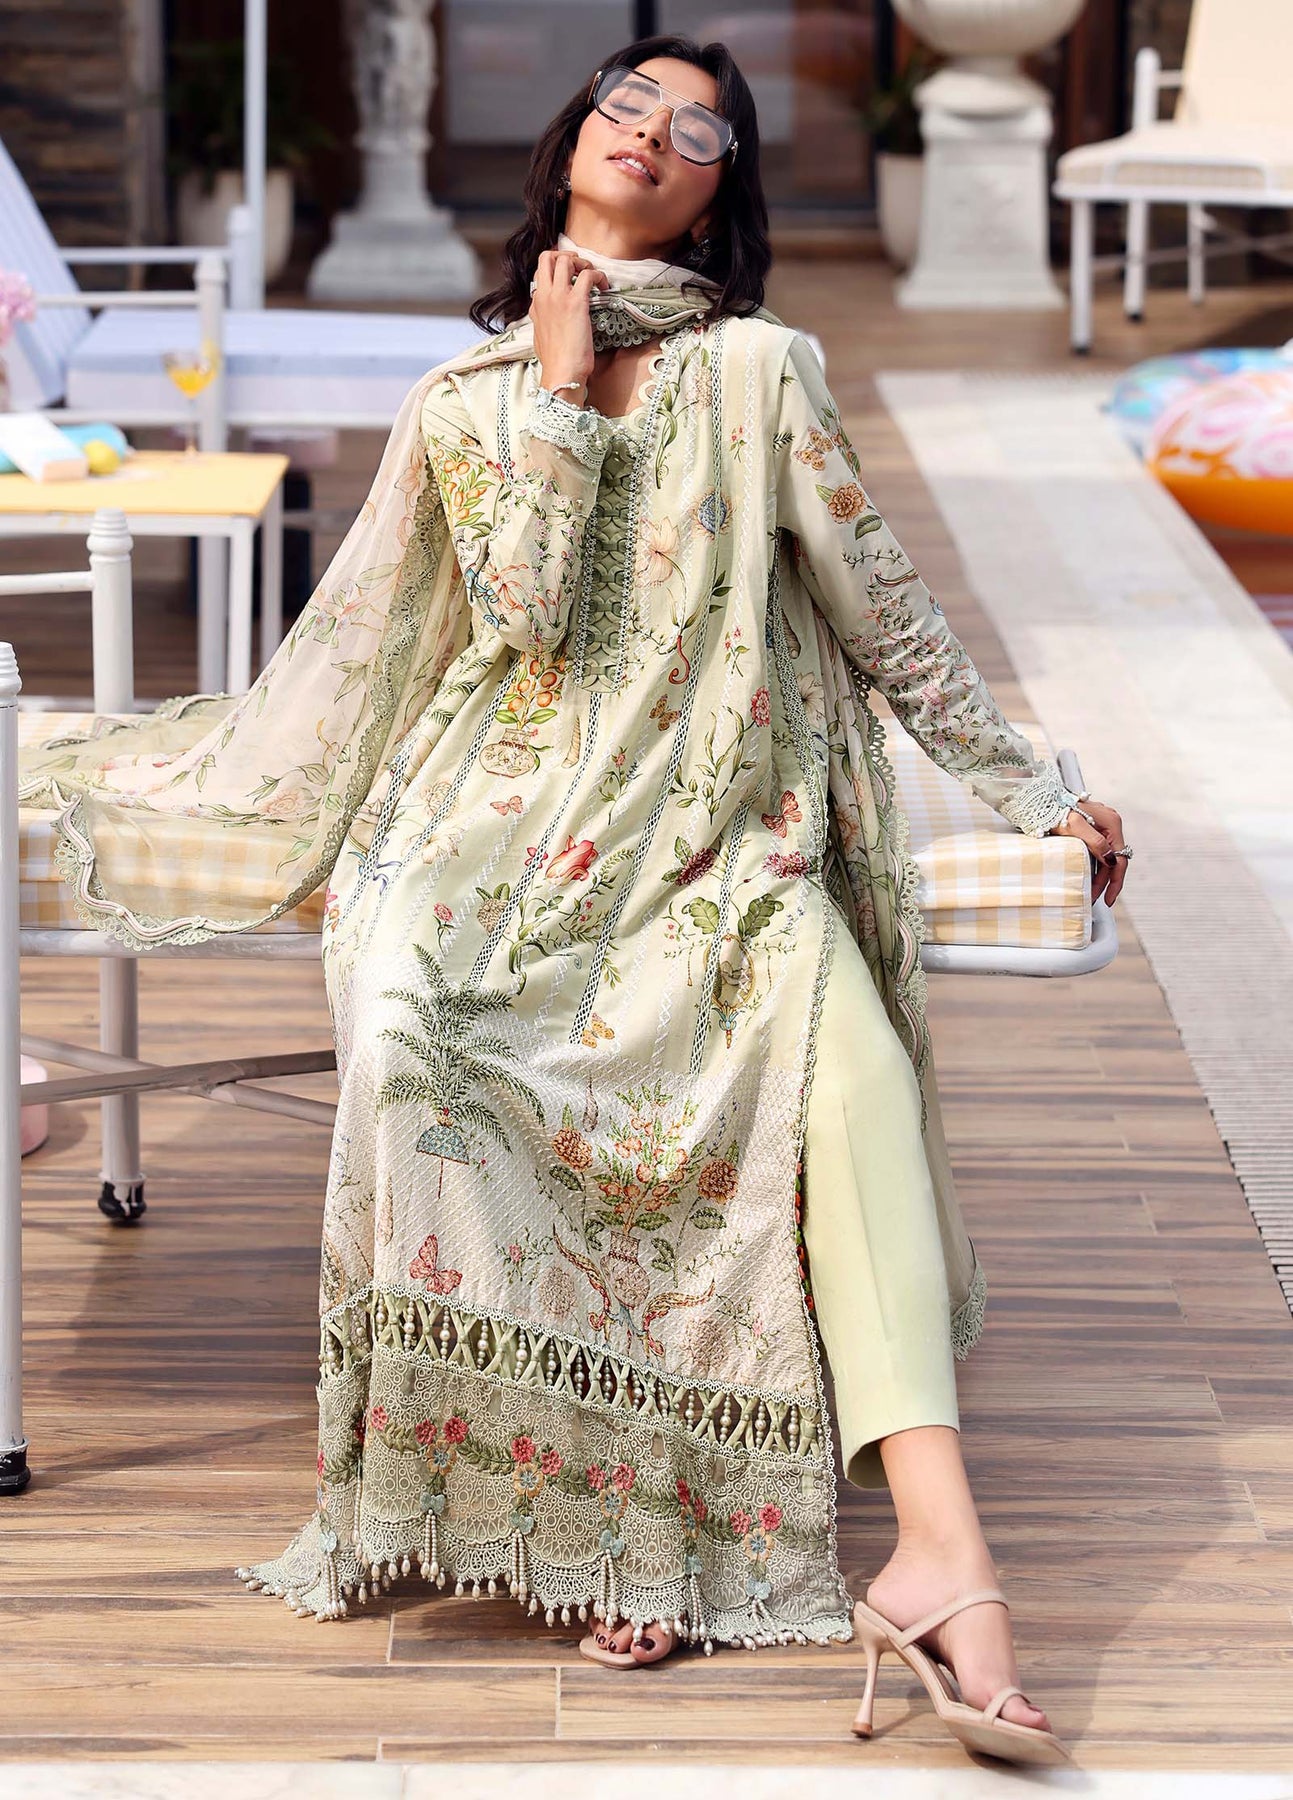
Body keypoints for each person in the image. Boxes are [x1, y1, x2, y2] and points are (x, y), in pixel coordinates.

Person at [18, 33, 1128, 1769]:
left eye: (700, 128)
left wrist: (1033, 788)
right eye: (628, 104)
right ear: (569, 148)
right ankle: (604, 1513)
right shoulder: (464, 402)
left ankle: (941, 1558)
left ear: (716, 197)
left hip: (716, 825)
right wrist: (550, 387)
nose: (654, 133)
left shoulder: (760, 371)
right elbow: (522, 618)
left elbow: (881, 603)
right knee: (416, 1042)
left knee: (842, 1078)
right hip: (486, 828)